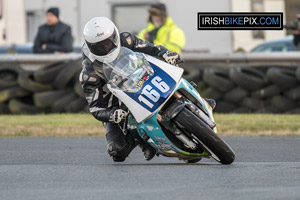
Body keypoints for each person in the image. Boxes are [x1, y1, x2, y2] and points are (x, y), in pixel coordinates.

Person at [80, 17, 181, 162]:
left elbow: (151, 47)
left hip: (143, 75)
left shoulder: (126, 39)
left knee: (174, 67)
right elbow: (96, 108)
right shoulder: (89, 74)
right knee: (117, 151)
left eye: (108, 43)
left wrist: (165, 53)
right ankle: (141, 140)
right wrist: (114, 114)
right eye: (100, 47)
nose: (106, 48)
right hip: (117, 101)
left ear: (114, 36)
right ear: (91, 47)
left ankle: (198, 99)